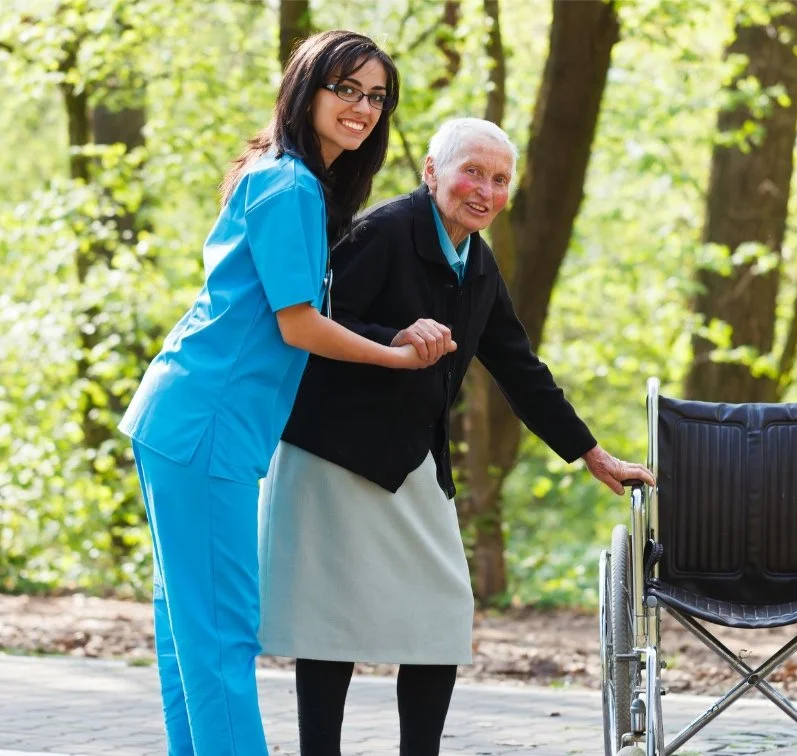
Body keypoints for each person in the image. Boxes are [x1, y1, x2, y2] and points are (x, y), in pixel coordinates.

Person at [257, 117, 656, 756]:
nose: (486, 191)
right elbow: (316, 320)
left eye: (500, 179)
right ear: (432, 172)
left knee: (441, 617)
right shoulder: (383, 232)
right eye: (473, 170)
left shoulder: (477, 261)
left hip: (411, 457)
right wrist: (394, 336)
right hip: (333, 452)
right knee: (329, 627)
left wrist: (590, 452)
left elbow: (519, 367)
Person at [118, 31, 430, 756]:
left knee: (189, 628)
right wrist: (392, 356)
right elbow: (299, 326)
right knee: (222, 628)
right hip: (207, 424)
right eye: (346, 89)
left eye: (376, 97)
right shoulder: (289, 184)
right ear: (307, 87)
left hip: (188, 418)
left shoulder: (282, 177)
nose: (362, 108)